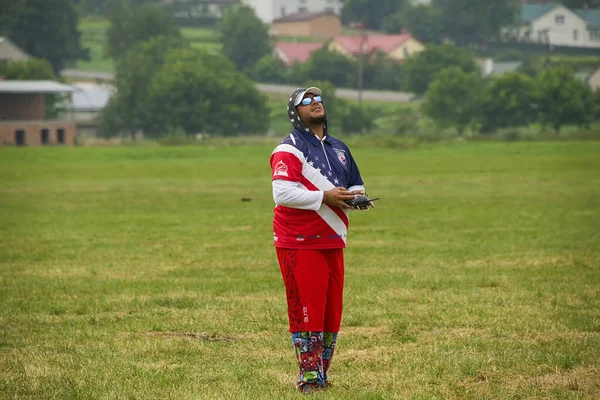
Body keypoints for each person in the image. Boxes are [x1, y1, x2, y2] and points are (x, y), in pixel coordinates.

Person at [270, 87, 373, 393]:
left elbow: (355, 184)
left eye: (318, 99)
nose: (315, 103)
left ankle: (322, 376)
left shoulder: (340, 148)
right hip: (299, 240)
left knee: (331, 313)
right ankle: (309, 379)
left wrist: (358, 198)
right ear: (295, 112)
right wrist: (325, 196)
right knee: (307, 311)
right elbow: (282, 192)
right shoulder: (288, 149)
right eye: (306, 100)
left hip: (333, 239)